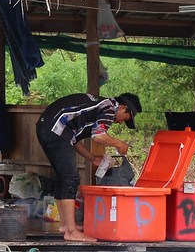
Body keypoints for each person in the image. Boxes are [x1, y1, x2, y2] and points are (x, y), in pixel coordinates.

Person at [36, 92, 141, 242]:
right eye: (125, 118)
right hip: (55, 130)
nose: (120, 123)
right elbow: (98, 135)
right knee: (70, 178)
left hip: (48, 127)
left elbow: (73, 139)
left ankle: (66, 226)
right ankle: (71, 231)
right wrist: (120, 144)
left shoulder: (97, 106)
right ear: (123, 107)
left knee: (63, 176)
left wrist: (91, 158)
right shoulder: (109, 108)